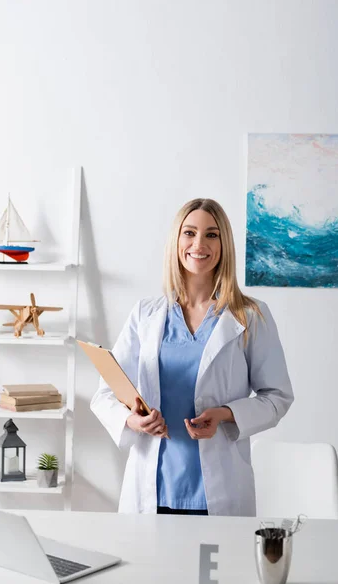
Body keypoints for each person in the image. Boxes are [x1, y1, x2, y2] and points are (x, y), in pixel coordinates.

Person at [90, 198, 294, 516]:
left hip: (218, 490)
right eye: (190, 233)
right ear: (177, 240)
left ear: (224, 244)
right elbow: (106, 394)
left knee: (219, 566)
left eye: (212, 235)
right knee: (150, 567)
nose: (199, 244)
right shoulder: (146, 314)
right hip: (152, 490)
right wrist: (133, 420)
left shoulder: (250, 316)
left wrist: (226, 414)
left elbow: (277, 397)